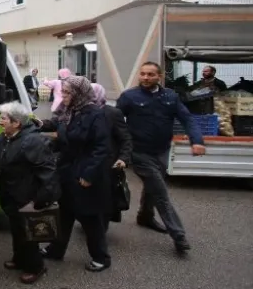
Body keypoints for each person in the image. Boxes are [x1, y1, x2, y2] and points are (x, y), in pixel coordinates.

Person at [116, 61, 205, 254]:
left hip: (162, 151)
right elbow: (115, 121)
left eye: (150, 74)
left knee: (152, 187)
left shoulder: (170, 97)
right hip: (139, 153)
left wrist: (196, 140)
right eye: (143, 74)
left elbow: (187, 118)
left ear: (159, 76)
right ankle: (179, 236)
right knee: (161, 192)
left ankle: (145, 217)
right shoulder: (129, 97)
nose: (145, 78)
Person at [37, 76, 112, 272]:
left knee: (89, 217)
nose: (63, 95)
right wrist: (39, 124)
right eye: (63, 91)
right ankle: (56, 249)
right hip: (67, 171)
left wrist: (88, 175)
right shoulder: (69, 111)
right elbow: (58, 124)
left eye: (68, 92)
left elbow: (102, 148)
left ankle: (101, 257)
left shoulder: (95, 114)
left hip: (84, 174)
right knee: (64, 213)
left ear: (79, 94)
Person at [0, 101, 57, 284]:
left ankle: (36, 267)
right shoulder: (2, 139)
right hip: (9, 195)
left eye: (3, 119)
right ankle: (19, 259)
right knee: (16, 230)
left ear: (17, 123)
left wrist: (41, 200)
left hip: (27, 198)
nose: (0, 122)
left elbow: (47, 172)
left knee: (29, 233)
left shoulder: (32, 142)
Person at [91, 84, 133, 230]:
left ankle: (101, 229)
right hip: (87, 162)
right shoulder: (80, 111)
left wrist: (123, 158)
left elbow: (125, 138)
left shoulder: (113, 113)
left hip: (108, 163)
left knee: (105, 199)